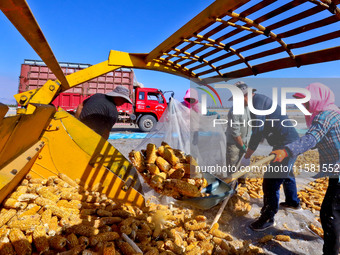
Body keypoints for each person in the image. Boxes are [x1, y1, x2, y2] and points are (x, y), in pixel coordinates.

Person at [271, 83, 340, 255]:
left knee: (329, 214)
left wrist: (286, 151)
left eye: (306, 102)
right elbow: (321, 139)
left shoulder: (324, 116)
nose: (303, 107)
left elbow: (311, 138)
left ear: (317, 99)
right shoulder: (334, 112)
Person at [242, 87, 300, 231]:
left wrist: (248, 153)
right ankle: (293, 202)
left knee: (270, 181)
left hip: (286, 144)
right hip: (288, 141)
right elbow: (265, 128)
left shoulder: (258, 102)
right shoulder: (260, 101)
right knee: (287, 173)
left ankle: (268, 217)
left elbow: (258, 130)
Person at [226, 81, 252, 168]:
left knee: (244, 166)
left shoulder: (247, 107)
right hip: (234, 144)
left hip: (245, 141)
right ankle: (231, 182)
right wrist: (243, 147)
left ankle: (242, 181)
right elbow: (235, 133)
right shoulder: (236, 110)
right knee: (233, 168)